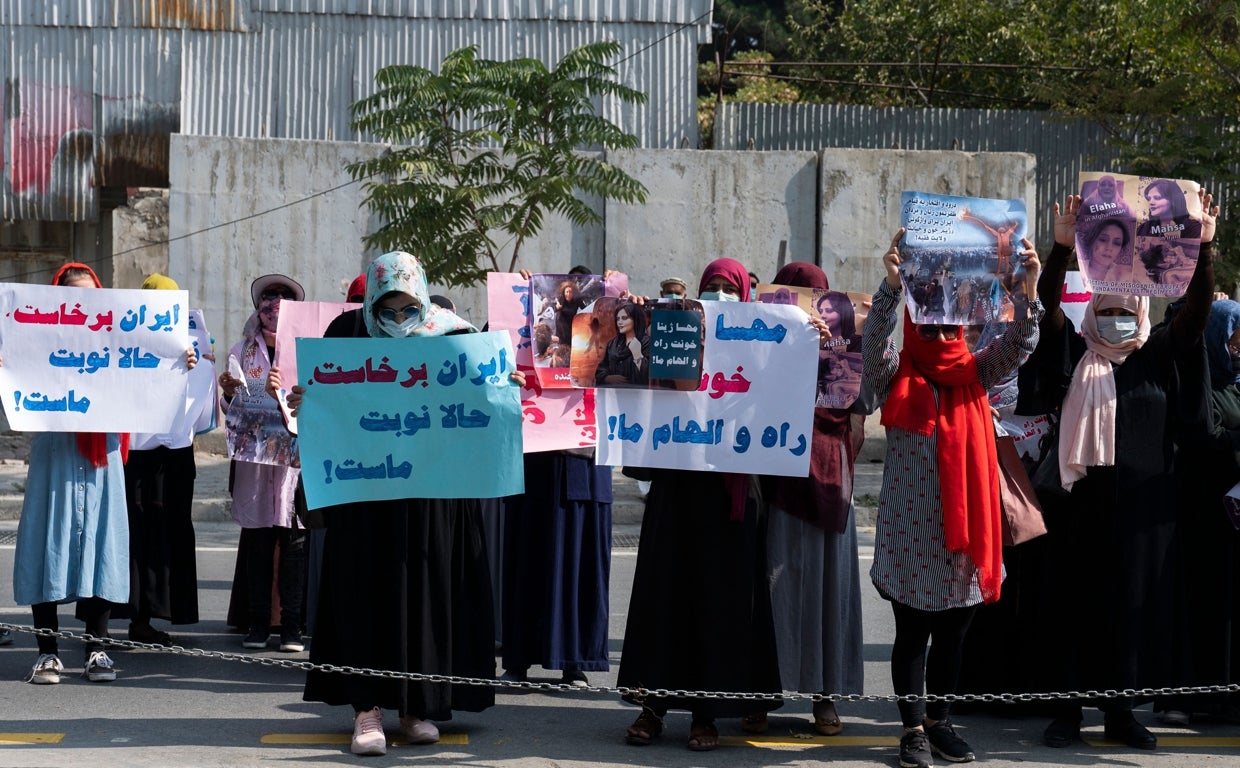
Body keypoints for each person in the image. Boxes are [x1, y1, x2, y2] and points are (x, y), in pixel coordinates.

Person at [287, 251, 506, 756]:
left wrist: (504, 389)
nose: (398, 318)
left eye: (409, 307)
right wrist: (307, 403)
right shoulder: (347, 336)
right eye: (388, 307)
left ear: (424, 298)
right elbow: (323, 401)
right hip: (366, 495)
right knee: (365, 591)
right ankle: (367, 710)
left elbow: (484, 400)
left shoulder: (455, 336)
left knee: (424, 593)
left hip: (431, 494)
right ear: (373, 304)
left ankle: (416, 708)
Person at [1032, 191, 1217, 751]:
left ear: (1139, 314)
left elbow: (1197, 311)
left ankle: (1120, 714)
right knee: (1073, 607)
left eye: (1123, 313)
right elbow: (1046, 301)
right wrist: (1061, 249)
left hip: (1141, 515)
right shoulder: (1073, 352)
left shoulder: (1157, 354)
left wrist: (1203, 249)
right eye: (1105, 311)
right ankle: (1065, 712)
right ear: (1092, 314)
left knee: (1131, 612)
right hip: (1081, 506)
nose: (1114, 321)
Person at [862, 230, 1042, 768]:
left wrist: (1026, 291)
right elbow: (872, 347)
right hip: (911, 534)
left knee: (955, 636)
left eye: (948, 323)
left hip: (967, 539)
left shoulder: (976, 372)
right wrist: (892, 288)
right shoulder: (898, 374)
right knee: (913, 635)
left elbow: (1018, 345)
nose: (940, 331)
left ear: (961, 327)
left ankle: (941, 722)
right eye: (929, 321)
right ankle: (913, 729)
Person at [616, 258, 783, 752]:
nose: (718, 297)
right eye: (709, 289)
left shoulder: (757, 346)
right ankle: (654, 706)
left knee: (718, 602)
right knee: (664, 594)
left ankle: (705, 714)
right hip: (676, 486)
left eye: (726, 290)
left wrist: (804, 337)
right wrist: (647, 319)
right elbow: (642, 379)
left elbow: (782, 389)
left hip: (729, 495)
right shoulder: (676, 340)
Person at [11, 262, 197, 685]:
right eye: (72, 296)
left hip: (103, 455)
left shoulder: (117, 339)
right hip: (55, 454)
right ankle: (48, 653)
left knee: (101, 546)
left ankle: (97, 648)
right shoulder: (37, 337)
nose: (81, 304)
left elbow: (149, 379)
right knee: (48, 543)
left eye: (90, 296)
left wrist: (177, 363)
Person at [742, 262, 865, 738]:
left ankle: (824, 696)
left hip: (831, 478)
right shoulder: (761, 342)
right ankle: (758, 693)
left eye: (818, 300)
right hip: (774, 479)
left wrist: (838, 346)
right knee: (771, 591)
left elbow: (866, 396)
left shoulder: (847, 347)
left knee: (827, 589)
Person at [1155, 298, 1240, 725]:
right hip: (1199, 510)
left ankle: (1228, 696)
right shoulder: (1197, 381)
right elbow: (1204, 431)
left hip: (1233, 515)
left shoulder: (1237, 381)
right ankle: (1187, 697)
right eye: (1236, 334)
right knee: (1197, 602)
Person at [218, 274, 307, 653]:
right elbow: (230, 409)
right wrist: (227, 392)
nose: (275, 303)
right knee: (256, 543)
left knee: (294, 543)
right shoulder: (241, 351)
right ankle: (257, 624)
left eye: (284, 297)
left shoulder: (305, 349)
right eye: (269, 296)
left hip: (294, 462)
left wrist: (287, 393)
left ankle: (291, 627)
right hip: (254, 462)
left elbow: (318, 398)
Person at [123, 273, 212, 646]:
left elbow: (202, 408)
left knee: (168, 531)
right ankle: (128, 617)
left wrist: (199, 366)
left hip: (174, 457)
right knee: (133, 535)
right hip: (138, 456)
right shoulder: (125, 341)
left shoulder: (191, 343)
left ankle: (152, 616)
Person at [594, 303, 650, 386]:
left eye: (624, 318)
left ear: (635, 319)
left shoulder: (647, 343)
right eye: (618, 319)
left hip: (637, 394)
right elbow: (602, 368)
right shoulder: (613, 344)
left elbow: (649, 375)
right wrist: (607, 378)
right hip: (613, 394)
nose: (619, 322)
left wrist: (638, 354)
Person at [1136, 178, 1202, 240]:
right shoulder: (1143, 228)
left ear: (1173, 200)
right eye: (1149, 198)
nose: (1151, 202)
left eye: (1157, 198)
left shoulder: (1192, 227)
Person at [1079, 217, 1132, 284]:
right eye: (1103, 240)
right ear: (1092, 240)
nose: (1109, 248)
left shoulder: (1126, 276)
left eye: (1116, 243)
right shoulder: (1077, 267)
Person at [552, 279, 586, 345]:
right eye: (567, 292)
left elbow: (585, 308)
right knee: (562, 345)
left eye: (570, 292)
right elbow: (555, 309)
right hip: (561, 326)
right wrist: (557, 307)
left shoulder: (577, 300)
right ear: (564, 293)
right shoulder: (561, 298)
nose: (568, 294)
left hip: (571, 324)